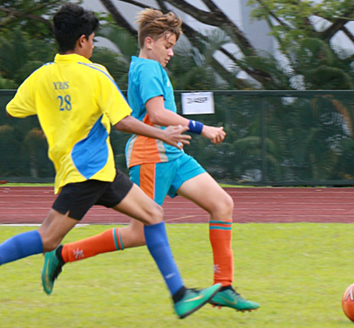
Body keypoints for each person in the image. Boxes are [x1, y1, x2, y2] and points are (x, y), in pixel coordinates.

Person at [0, 3, 221, 320]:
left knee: (153, 214)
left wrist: (58, 107)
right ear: (84, 40)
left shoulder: (42, 76)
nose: (92, 45)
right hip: (87, 173)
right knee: (47, 238)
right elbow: (123, 121)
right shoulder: (95, 74)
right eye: (93, 39)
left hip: (98, 171)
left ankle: (180, 295)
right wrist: (163, 135)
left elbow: (13, 109)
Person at [41, 8, 259, 312]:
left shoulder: (152, 68)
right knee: (139, 233)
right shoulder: (146, 69)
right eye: (167, 46)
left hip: (173, 154)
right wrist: (203, 128)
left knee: (222, 205)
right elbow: (157, 115)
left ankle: (223, 286)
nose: (171, 53)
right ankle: (62, 254)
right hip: (151, 155)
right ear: (149, 42)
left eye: (172, 47)